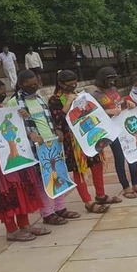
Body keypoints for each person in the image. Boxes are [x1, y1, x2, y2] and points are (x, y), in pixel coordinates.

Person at [0, 78, 50, 241]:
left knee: (22, 189)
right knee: (6, 193)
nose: (3, 96)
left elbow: (18, 130)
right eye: (0, 93)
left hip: (17, 155)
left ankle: (25, 225)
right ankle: (11, 230)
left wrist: (25, 123)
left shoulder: (4, 110)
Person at [7, 70, 81, 225]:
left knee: (57, 175)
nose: (34, 87)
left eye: (36, 84)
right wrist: (29, 134)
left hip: (51, 143)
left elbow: (48, 119)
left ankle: (60, 208)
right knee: (42, 180)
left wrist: (57, 130)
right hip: (35, 147)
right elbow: (12, 126)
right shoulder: (14, 102)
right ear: (21, 84)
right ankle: (47, 213)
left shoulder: (38, 98)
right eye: (30, 85)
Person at [48, 70, 120, 213]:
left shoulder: (80, 95)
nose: (73, 86)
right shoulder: (54, 100)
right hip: (72, 141)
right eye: (69, 84)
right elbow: (58, 121)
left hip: (89, 135)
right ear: (61, 84)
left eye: (75, 83)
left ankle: (101, 195)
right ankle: (88, 202)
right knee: (80, 170)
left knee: (97, 164)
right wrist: (69, 102)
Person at [91, 67, 137, 198]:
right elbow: (92, 114)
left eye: (113, 79)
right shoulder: (95, 96)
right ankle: (126, 186)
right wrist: (107, 112)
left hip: (123, 126)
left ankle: (136, 184)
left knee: (132, 153)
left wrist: (126, 102)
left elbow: (118, 103)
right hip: (111, 130)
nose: (112, 82)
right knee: (120, 157)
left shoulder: (114, 90)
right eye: (109, 79)